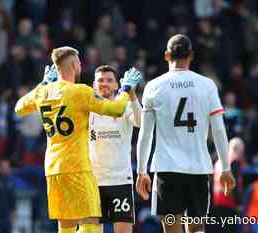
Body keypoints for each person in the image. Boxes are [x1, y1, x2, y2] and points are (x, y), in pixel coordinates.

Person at [14, 46, 142, 233]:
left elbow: (19, 108)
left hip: (53, 168)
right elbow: (116, 109)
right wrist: (126, 89)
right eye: (79, 63)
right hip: (77, 167)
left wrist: (42, 84)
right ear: (74, 65)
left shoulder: (43, 92)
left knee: (65, 225)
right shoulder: (80, 92)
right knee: (89, 222)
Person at [135, 34, 236, 233]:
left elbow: (145, 134)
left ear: (166, 55)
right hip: (198, 169)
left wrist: (141, 171)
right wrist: (225, 167)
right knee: (197, 229)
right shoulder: (207, 85)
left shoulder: (154, 87)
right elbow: (218, 129)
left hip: (167, 170)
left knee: (172, 229)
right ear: (191, 55)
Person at [88, 65, 142, 233]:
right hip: (93, 181)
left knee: (124, 231)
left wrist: (132, 96)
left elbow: (140, 123)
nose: (105, 83)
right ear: (93, 85)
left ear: (117, 85)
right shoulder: (88, 109)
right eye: (101, 80)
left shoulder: (125, 106)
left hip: (120, 180)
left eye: (109, 80)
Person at [210, 137, 246, 233]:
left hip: (217, 205)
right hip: (229, 205)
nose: (243, 155)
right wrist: (239, 203)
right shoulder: (233, 162)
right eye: (242, 151)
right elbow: (234, 184)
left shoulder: (218, 162)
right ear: (237, 149)